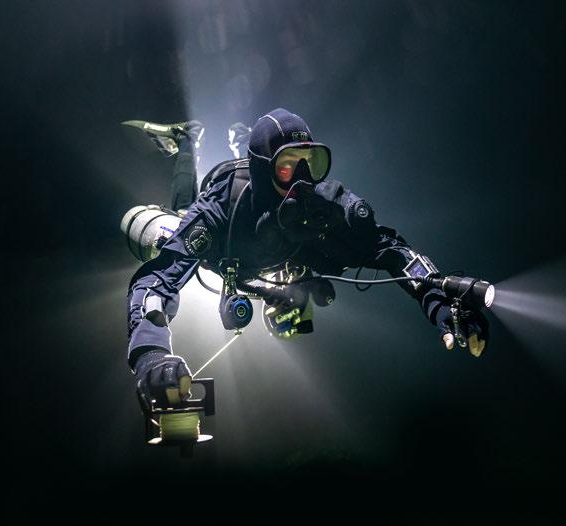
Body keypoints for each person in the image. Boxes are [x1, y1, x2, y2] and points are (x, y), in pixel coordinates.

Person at [124, 108, 489, 407]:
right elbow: (157, 279)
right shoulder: (220, 209)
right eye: (286, 167)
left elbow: (389, 250)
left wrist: (436, 298)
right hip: (227, 244)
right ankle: (188, 140)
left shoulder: (322, 207)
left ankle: (242, 139)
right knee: (178, 215)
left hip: (271, 255)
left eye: (310, 164)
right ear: (263, 168)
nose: (301, 179)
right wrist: (150, 354)